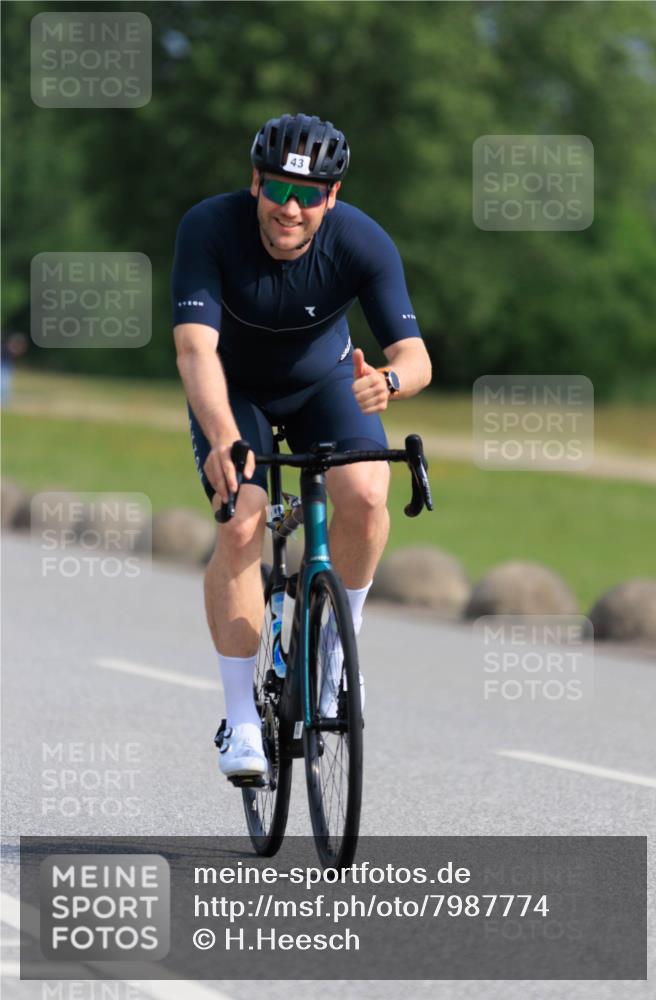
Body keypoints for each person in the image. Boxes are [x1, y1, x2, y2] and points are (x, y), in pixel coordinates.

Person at [171, 113, 432, 780]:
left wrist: (391, 382)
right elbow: (195, 347)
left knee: (367, 495)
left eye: (309, 195)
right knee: (242, 522)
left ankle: (339, 654)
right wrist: (224, 437)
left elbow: (414, 354)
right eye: (279, 190)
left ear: (331, 198)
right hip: (237, 393)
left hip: (325, 384)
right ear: (254, 182)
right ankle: (241, 720)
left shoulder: (360, 240)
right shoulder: (209, 227)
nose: (291, 208)